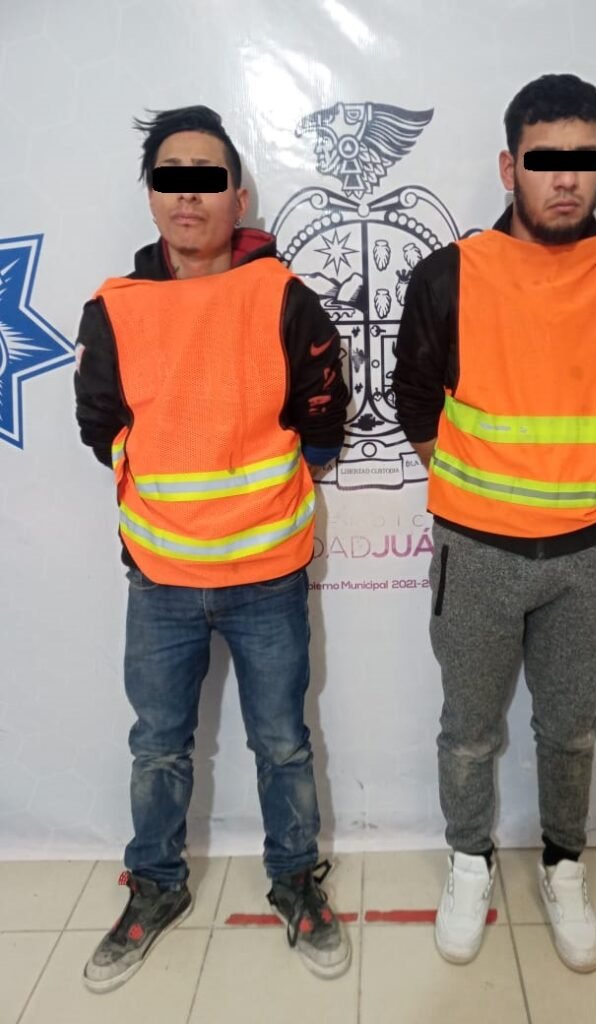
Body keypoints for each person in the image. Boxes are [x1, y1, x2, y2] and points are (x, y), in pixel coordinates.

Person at [74, 105, 351, 991]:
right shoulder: (114, 308)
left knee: (283, 743)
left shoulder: (282, 295)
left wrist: (260, 491)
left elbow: (324, 414)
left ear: (237, 195)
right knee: (158, 746)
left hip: (268, 575)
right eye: (171, 177)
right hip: (160, 577)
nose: (188, 195)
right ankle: (155, 886)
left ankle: (295, 882)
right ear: (151, 194)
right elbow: (98, 424)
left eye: (207, 178)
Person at [393, 73, 596, 973]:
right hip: (476, 552)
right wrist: (484, 490)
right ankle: (469, 862)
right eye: (546, 159)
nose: (567, 179)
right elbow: (415, 401)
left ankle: (563, 863)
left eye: (585, 159)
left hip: (589, 554)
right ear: (510, 167)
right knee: (470, 729)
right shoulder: (450, 275)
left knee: (571, 728)